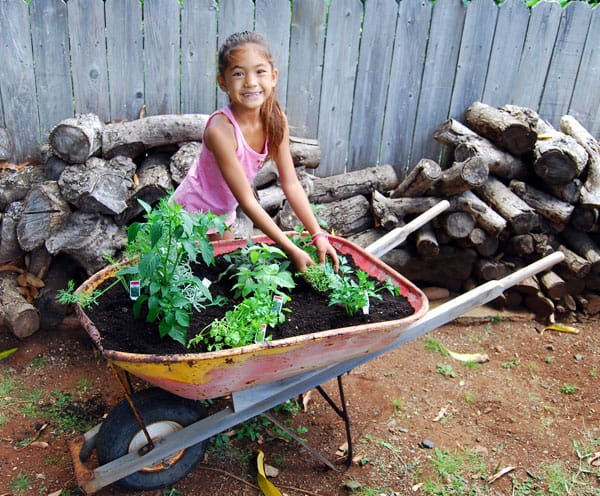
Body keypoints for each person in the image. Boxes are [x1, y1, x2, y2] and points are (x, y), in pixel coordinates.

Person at [173, 31, 338, 272]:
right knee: (183, 281)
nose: (250, 82)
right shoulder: (221, 130)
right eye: (238, 73)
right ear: (223, 82)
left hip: (221, 217)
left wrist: (317, 234)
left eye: (259, 71)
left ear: (273, 77)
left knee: (217, 282)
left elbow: (291, 184)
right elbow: (247, 200)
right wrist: (290, 248)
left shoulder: (275, 120)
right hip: (188, 216)